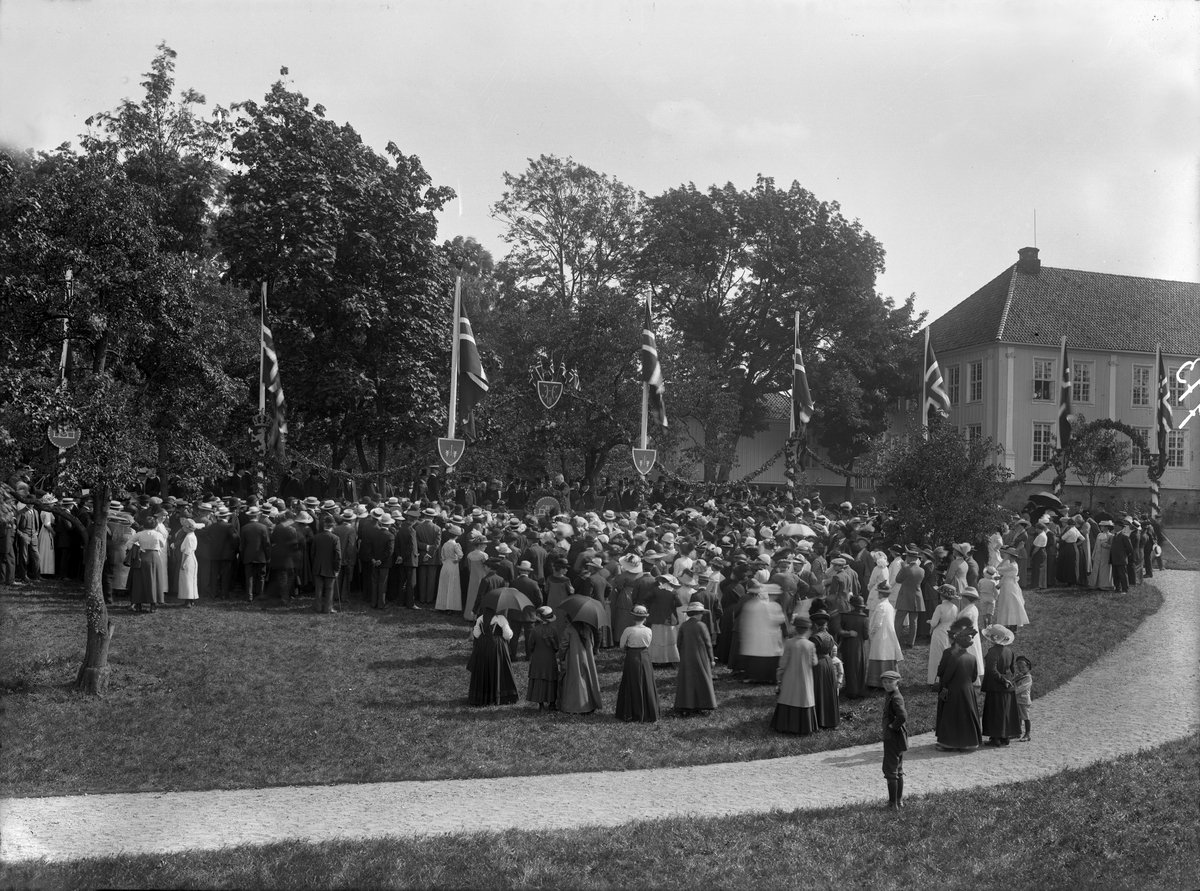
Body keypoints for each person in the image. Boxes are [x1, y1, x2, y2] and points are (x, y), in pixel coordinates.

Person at [934, 619, 983, 752]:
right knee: (967, 715)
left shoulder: (955, 658)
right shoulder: (972, 658)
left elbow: (946, 675)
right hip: (968, 690)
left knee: (952, 716)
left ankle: (951, 743)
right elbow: (974, 677)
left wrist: (945, 686)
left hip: (954, 690)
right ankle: (969, 742)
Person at [770, 615, 819, 735]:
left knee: (789, 697)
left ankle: (785, 725)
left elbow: (783, 662)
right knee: (804, 698)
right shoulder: (810, 645)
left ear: (795, 629)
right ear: (807, 630)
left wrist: (779, 677)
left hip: (790, 677)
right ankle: (805, 726)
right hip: (805, 677)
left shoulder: (790, 643)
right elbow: (814, 662)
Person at [735, 581, 788, 683]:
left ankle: (757, 677)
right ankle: (770, 678)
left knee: (757, 659)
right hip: (769, 636)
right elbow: (779, 620)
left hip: (756, 636)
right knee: (770, 659)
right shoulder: (774, 606)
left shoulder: (751, 604)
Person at [614, 605, 659, 722]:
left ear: (633, 617)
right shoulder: (649, 630)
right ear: (645, 618)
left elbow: (622, 645)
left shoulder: (628, 630)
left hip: (632, 656)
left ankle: (630, 711)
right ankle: (648, 711)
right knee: (646, 681)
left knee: (632, 681)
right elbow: (648, 643)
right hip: (644, 656)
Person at [467, 609, 520, 706]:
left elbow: (476, 633)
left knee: (483, 669)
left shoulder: (481, 618)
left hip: (483, 646)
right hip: (497, 646)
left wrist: (484, 638)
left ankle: (482, 697)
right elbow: (507, 635)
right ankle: (499, 696)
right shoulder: (501, 619)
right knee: (498, 668)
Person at [981, 624, 1021, 746]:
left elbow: (992, 670)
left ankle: (996, 737)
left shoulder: (993, 652)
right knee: (1006, 710)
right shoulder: (1009, 651)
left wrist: (1003, 680)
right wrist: (1009, 680)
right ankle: (1005, 736)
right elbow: (1012, 669)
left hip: (996, 686)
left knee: (995, 711)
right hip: (1008, 686)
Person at [674, 601, 717, 714]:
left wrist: (682, 654)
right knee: (703, 678)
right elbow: (708, 644)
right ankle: (704, 703)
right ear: (698, 613)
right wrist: (711, 659)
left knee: (686, 680)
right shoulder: (701, 625)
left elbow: (679, 643)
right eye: (701, 613)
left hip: (686, 656)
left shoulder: (684, 625)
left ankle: (685, 704)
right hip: (701, 656)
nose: (702, 615)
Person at [557, 620, 602, 715]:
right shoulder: (587, 629)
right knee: (587, 679)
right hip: (587, 658)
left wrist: (560, 657)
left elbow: (563, 646)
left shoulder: (569, 629)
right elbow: (592, 643)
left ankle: (573, 706)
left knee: (574, 681)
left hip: (573, 658)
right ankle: (589, 705)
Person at [866, 581, 904, 690]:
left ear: (881, 594)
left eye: (879, 592)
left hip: (880, 636)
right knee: (887, 654)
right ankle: (890, 679)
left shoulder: (881, 606)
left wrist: (871, 633)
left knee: (879, 654)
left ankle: (877, 681)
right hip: (889, 635)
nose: (878, 594)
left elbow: (878, 623)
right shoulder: (890, 606)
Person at [880, 669, 908, 809]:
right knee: (898, 768)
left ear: (897, 682)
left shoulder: (895, 697)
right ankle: (898, 800)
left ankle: (893, 804)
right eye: (885, 682)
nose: (887, 685)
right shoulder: (891, 695)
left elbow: (902, 715)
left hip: (893, 736)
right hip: (897, 737)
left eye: (890, 682)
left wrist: (892, 726)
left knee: (890, 769)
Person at [128, 516, 167, 613]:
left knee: (139, 581)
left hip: (142, 556)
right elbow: (162, 545)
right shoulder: (158, 534)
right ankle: (153, 605)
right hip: (154, 556)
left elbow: (129, 543)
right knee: (154, 580)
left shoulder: (140, 534)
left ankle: (138, 605)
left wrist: (137, 549)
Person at [809, 609, 840, 729]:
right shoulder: (830, 637)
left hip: (818, 664)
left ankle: (819, 719)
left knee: (819, 689)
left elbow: (810, 654)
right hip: (828, 664)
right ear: (825, 624)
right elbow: (833, 653)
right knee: (828, 690)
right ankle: (831, 719)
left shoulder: (814, 638)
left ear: (816, 624)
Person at [526, 606, 561, 709]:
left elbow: (530, 646)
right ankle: (552, 703)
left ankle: (540, 704)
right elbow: (557, 648)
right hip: (550, 659)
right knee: (551, 679)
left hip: (537, 658)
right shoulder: (554, 631)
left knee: (538, 678)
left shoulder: (535, 630)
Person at [927, 585, 959, 686]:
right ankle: (948, 678)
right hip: (950, 631)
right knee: (948, 654)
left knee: (936, 655)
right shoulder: (955, 607)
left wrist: (929, 621)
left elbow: (934, 623)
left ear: (941, 596)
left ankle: (935, 680)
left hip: (940, 631)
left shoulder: (940, 607)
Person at [839, 594, 870, 699]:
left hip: (847, 644)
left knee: (849, 666)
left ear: (851, 605)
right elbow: (866, 636)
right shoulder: (865, 618)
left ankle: (850, 690)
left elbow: (841, 630)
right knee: (860, 667)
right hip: (859, 645)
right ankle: (860, 690)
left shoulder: (845, 616)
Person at [893, 547, 925, 649]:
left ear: (910, 558)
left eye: (907, 556)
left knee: (899, 620)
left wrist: (903, 568)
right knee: (913, 621)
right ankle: (911, 641)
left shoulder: (905, 569)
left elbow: (898, 580)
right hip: (916, 597)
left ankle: (895, 640)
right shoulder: (921, 570)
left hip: (904, 596)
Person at [311, 514, 342, 614]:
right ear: (333, 526)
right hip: (330, 567)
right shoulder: (335, 538)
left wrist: (315, 563)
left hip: (318, 566)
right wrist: (337, 569)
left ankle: (318, 607)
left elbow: (312, 553)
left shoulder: (316, 537)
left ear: (324, 525)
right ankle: (328, 608)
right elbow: (338, 556)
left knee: (318, 589)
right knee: (329, 589)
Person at [994, 548, 1029, 628]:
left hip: (1009, 586)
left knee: (1010, 603)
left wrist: (1004, 559)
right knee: (1007, 603)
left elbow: (997, 568)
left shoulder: (1011, 565)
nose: (1004, 555)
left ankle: (1012, 623)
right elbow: (1005, 575)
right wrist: (999, 584)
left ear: (1010, 555)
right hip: (1007, 585)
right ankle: (1008, 622)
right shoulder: (1011, 565)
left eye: (1006, 554)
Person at [434, 525, 464, 614]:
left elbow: (442, 557)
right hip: (453, 565)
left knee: (444, 584)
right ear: (457, 536)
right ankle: (450, 606)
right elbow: (460, 555)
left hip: (445, 565)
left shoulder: (445, 544)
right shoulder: (455, 545)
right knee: (452, 585)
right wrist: (458, 560)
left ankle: (442, 605)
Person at [177, 517, 202, 607]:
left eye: (184, 526)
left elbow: (188, 551)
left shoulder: (189, 537)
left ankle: (188, 600)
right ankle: (190, 600)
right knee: (190, 578)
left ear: (187, 527)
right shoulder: (190, 536)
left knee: (187, 579)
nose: (183, 528)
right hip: (190, 557)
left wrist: (183, 563)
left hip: (188, 558)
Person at [1088, 519, 1114, 590]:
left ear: (1106, 527)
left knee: (1104, 569)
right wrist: (1093, 554)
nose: (1101, 527)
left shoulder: (1111, 535)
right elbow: (1096, 545)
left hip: (1106, 555)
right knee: (1096, 569)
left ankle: (1104, 585)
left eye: (1102, 526)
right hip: (1098, 554)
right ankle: (1095, 584)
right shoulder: (1099, 534)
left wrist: (1104, 544)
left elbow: (1112, 546)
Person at [1014, 655, 1034, 742]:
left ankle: (1027, 734)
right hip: (1017, 700)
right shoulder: (1019, 676)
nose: (1021, 669)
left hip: (1024, 700)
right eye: (1019, 667)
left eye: (1023, 667)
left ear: (1028, 667)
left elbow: (1022, 687)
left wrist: (1013, 692)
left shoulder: (1028, 678)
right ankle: (1018, 732)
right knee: (1018, 716)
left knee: (1025, 717)